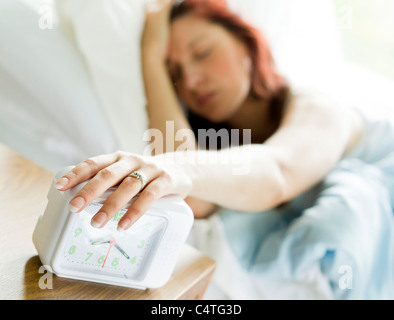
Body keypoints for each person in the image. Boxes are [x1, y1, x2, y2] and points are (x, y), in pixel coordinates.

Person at [55, 0, 365, 231]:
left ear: (246, 44)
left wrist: (171, 166)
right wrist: (151, 58)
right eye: (174, 73)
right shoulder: (216, 142)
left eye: (203, 53)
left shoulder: (319, 107)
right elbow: (195, 199)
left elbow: (279, 172)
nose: (190, 81)